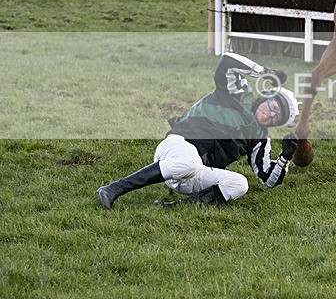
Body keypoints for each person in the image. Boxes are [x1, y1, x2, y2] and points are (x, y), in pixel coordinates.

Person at [97, 52, 299, 208]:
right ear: (265, 97)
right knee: (188, 162)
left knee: (240, 184)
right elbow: (227, 60)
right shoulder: (238, 93)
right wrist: (265, 72)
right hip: (175, 149)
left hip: (192, 176)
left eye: (277, 117)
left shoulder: (260, 139)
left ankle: (178, 206)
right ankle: (114, 188)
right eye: (273, 107)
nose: (271, 114)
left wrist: (285, 157)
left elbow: (267, 179)